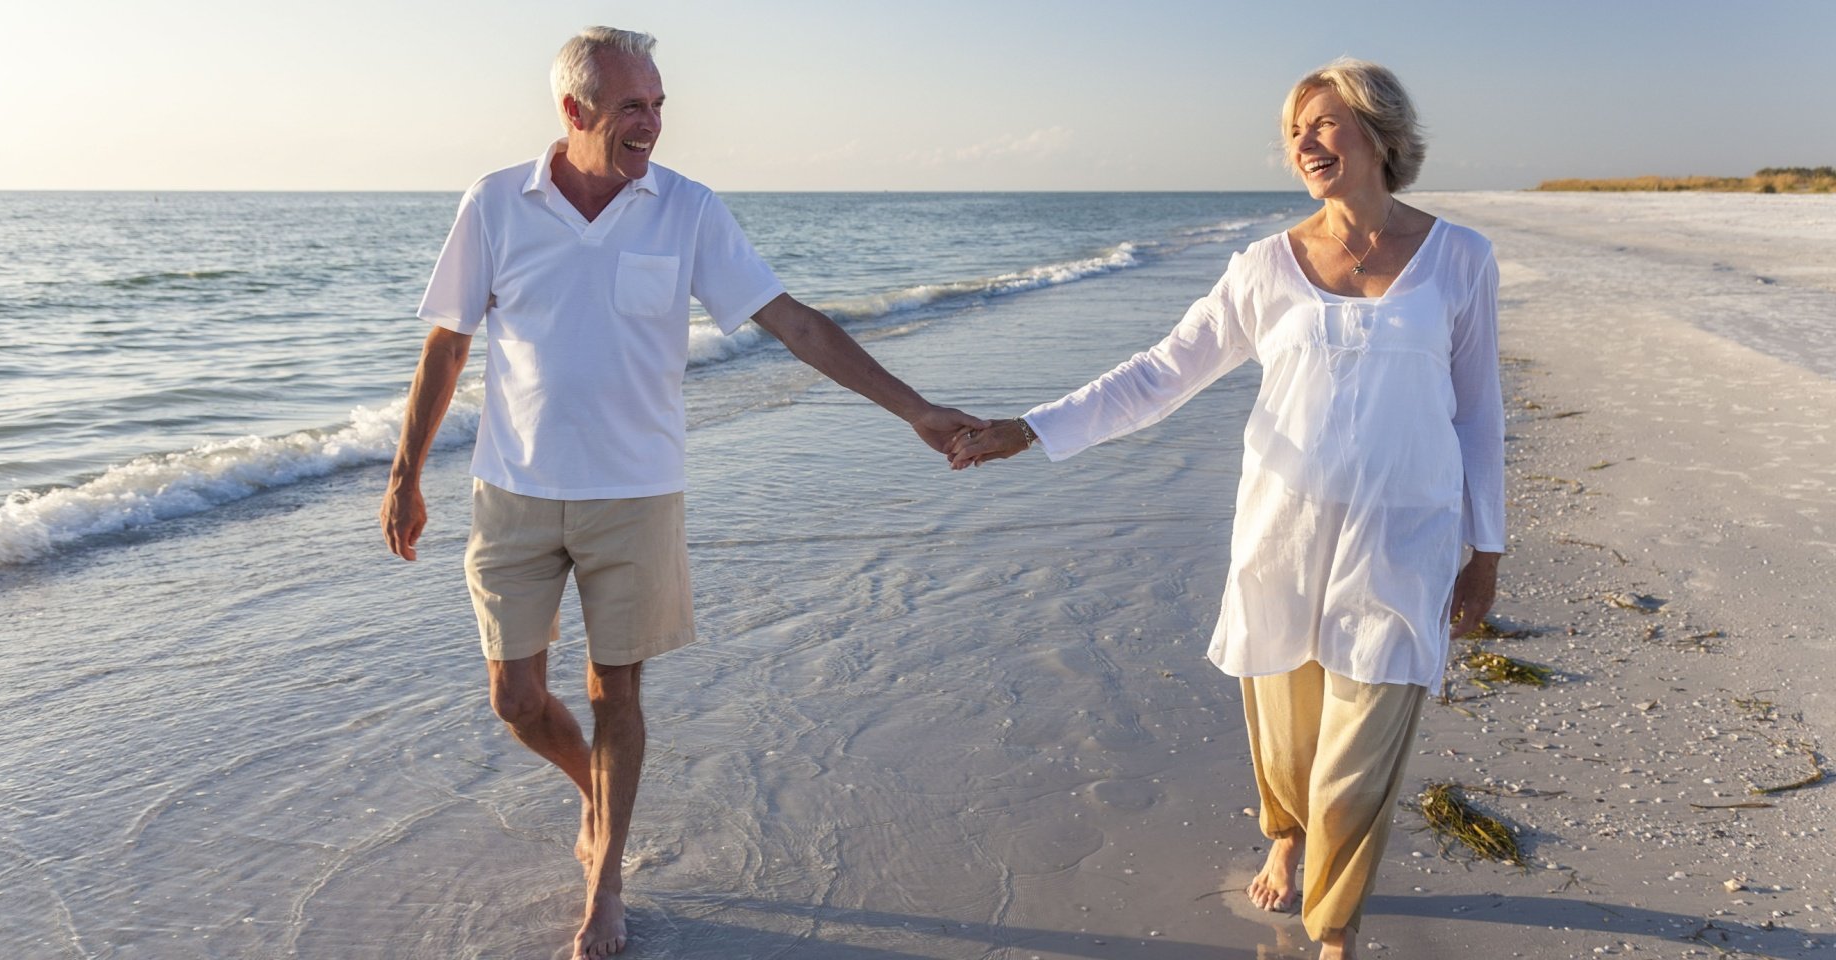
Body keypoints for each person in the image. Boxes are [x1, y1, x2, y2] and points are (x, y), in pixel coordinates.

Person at [380, 26, 980, 960]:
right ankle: (595, 789)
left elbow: (794, 324)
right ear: (574, 111)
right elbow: (448, 344)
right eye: (632, 107)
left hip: (637, 496)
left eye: (659, 105)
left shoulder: (687, 210)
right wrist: (405, 472)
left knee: (617, 690)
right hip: (513, 490)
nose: (652, 124)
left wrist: (913, 409)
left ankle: (606, 881)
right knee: (516, 698)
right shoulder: (496, 203)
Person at [949, 58, 1503, 960]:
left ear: (1380, 134)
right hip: (1283, 536)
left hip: (1405, 541)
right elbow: (1162, 375)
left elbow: (1479, 413)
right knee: (1288, 743)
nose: (1305, 143)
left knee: (1356, 764)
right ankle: (1283, 835)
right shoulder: (1265, 267)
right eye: (1295, 130)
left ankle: (1334, 933)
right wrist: (1029, 430)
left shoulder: (1460, 258)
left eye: (1324, 123)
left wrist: (1486, 550)